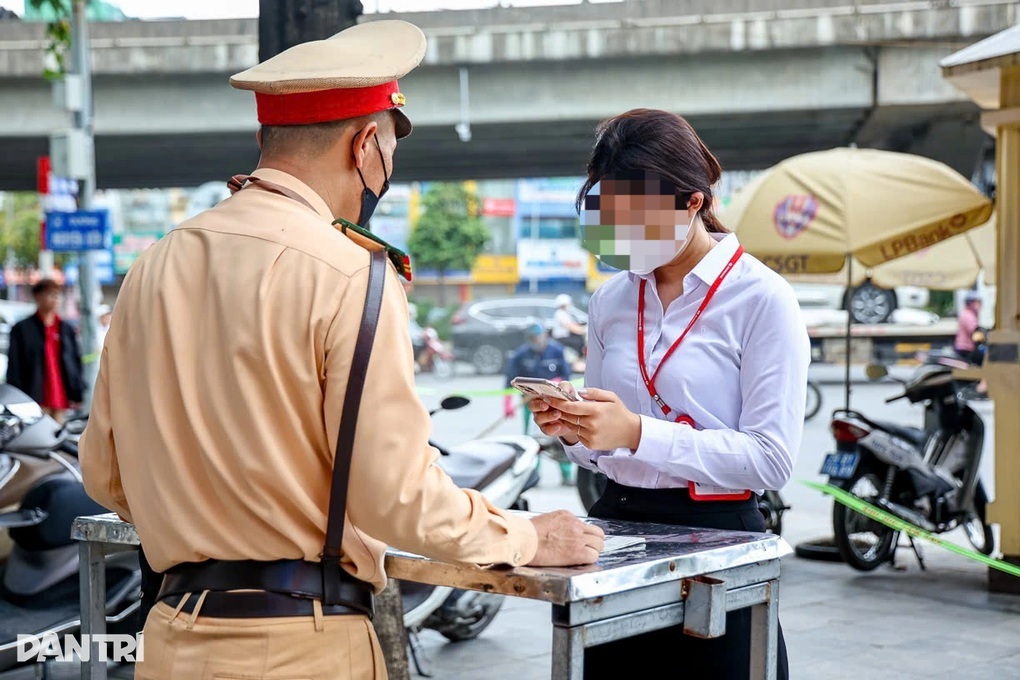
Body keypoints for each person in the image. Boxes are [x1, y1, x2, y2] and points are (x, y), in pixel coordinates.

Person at [78, 21, 603, 680]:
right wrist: (527, 536)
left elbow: (103, 471)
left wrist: (202, 518)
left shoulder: (152, 266)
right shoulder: (352, 272)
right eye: (389, 148)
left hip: (172, 640)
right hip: (301, 646)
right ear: (365, 146)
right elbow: (395, 498)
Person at [528, 108, 808, 679]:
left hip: (721, 538)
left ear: (693, 202)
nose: (623, 232)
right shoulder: (611, 300)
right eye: (611, 214)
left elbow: (771, 459)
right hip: (618, 526)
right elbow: (600, 452)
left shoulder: (761, 299)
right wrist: (574, 428)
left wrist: (636, 432)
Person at [6, 278, 84, 424]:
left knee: (58, 439)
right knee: (36, 440)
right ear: (37, 296)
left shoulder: (65, 329)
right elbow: (15, 365)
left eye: (57, 294)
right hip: (33, 396)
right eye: (50, 294)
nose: (55, 299)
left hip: (61, 396)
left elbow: (74, 361)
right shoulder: (22, 329)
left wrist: (77, 392)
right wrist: (16, 397)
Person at [505, 322, 574, 482]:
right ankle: (533, 475)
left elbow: (566, 375)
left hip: (555, 402)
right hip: (530, 403)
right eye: (533, 338)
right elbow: (509, 381)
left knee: (561, 435)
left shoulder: (557, 351)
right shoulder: (520, 355)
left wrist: (558, 381)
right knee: (532, 440)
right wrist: (507, 404)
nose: (537, 340)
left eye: (539, 337)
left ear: (545, 336)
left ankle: (566, 474)